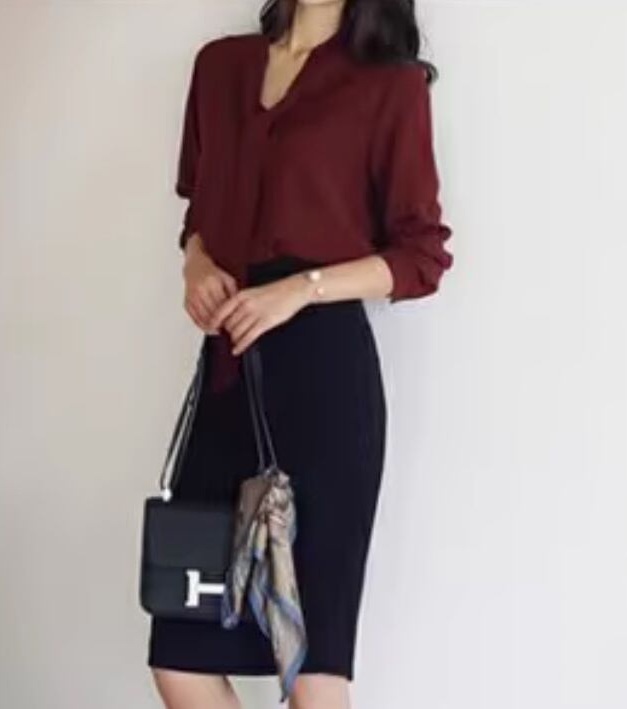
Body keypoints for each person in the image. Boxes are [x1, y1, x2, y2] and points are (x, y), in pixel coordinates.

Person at [149, 0, 454, 707]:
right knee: (180, 654)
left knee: (313, 671)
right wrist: (196, 265)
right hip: (228, 378)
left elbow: (421, 257)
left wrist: (301, 289)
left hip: (326, 384)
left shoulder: (390, 83)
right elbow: (199, 212)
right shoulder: (219, 68)